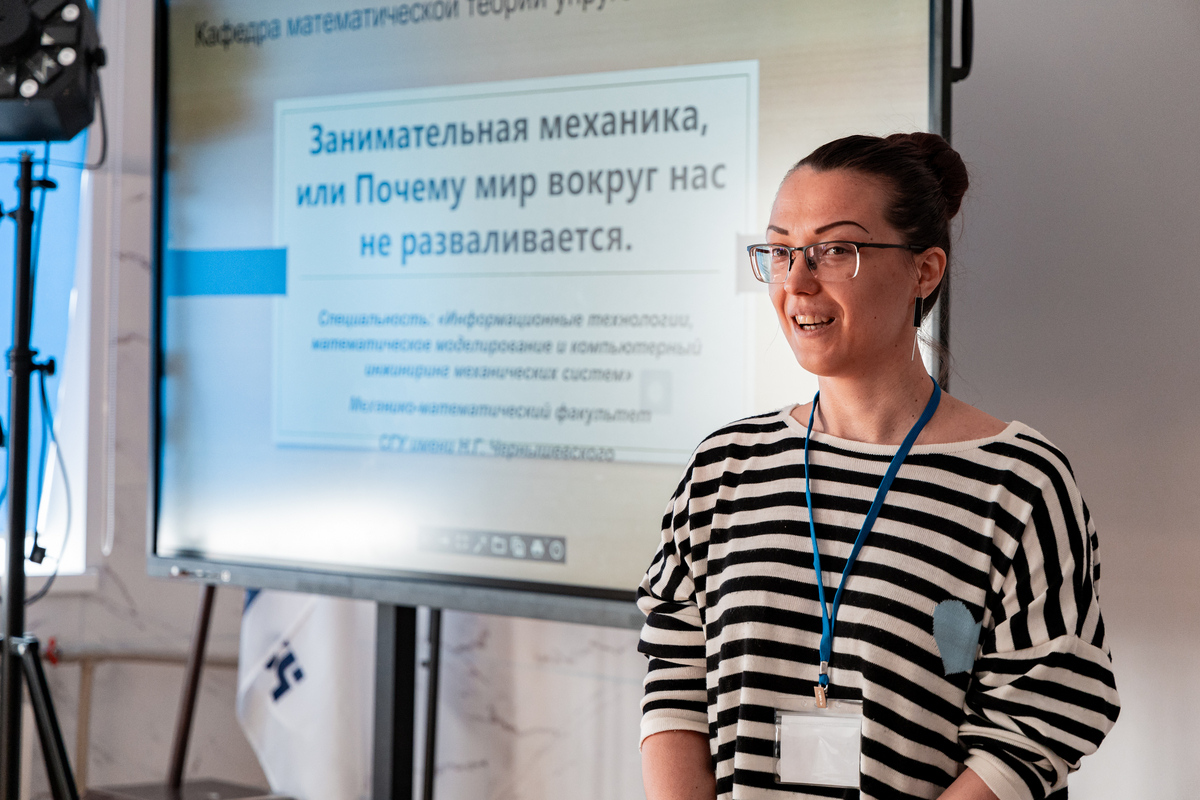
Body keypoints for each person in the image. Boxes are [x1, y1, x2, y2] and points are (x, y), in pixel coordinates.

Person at [637, 133, 1120, 800]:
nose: (797, 283)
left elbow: (1044, 719)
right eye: (781, 251)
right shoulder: (726, 466)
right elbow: (675, 675)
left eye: (836, 250)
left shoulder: (1017, 482)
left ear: (925, 271)